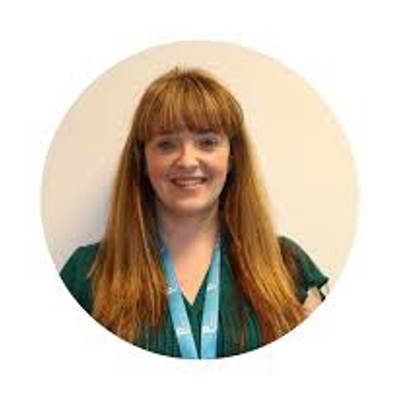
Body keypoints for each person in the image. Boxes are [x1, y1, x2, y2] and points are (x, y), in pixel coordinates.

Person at [60, 67, 329, 359]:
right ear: (142, 160)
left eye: (207, 142)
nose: (187, 161)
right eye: (166, 144)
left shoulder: (287, 267)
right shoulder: (86, 275)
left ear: (232, 157)